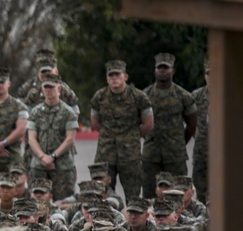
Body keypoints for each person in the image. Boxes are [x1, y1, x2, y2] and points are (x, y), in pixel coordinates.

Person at [91, 60, 153, 200]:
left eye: (117, 75)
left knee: (133, 197)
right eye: (111, 75)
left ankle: (133, 222)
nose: (114, 78)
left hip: (130, 156)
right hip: (105, 154)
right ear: (107, 79)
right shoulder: (99, 97)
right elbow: (95, 122)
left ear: (125, 76)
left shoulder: (139, 97)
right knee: (102, 195)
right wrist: (109, 135)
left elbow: (148, 124)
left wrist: (132, 137)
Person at [142, 53, 197, 199]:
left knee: (179, 195)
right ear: (154, 70)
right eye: (159, 68)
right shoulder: (144, 95)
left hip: (175, 157)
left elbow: (192, 124)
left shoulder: (183, 96)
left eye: (166, 68)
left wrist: (179, 142)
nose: (162, 71)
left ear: (172, 71)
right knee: (149, 196)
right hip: (151, 156)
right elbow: (138, 121)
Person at [27, 75, 78, 200]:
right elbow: (31, 138)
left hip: (63, 167)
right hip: (40, 166)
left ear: (59, 88)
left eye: (52, 87)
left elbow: (70, 139)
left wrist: (53, 157)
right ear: (42, 89)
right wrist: (43, 157)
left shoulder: (68, 112)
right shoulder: (35, 112)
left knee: (63, 202)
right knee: (37, 204)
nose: (48, 90)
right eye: (46, 87)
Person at [191, 64, 209, 202]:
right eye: (209, 74)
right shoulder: (196, 96)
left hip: (226, 152)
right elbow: (189, 120)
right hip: (201, 151)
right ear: (205, 76)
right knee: (201, 191)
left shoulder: (231, 94)